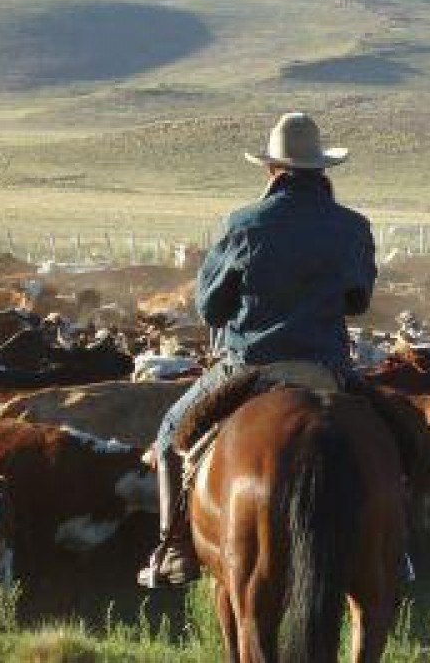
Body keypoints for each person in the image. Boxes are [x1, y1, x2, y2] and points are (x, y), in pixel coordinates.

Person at [137, 111, 377, 588]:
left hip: (250, 365)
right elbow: (359, 302)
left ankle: (174, 547)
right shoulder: (352, 226)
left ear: (272, 170)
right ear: (322, 170)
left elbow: (210, 307)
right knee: (395, 440)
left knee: (168, 433)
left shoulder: (243, 222)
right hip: (327, 367)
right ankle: (396, 546)